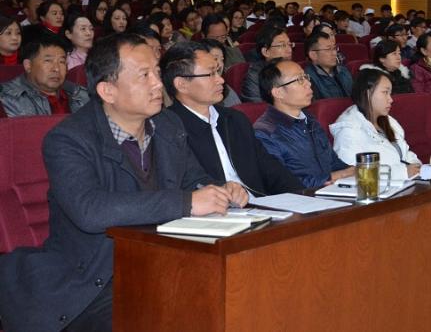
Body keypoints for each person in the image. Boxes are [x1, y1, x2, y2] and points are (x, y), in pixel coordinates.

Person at [0, 33, 247, 332]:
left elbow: (194, 179)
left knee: (239, 295)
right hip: (95, 278)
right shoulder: (68, 139)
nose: (158, 84)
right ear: (108, 90)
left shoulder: (168, 124)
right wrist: (186, 202)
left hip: (162, 260)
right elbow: (90, 210)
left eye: (157, 72)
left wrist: (219, 190)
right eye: (144, 75)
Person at [163, 42, 301, 198]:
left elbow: (272, 170)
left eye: (218, 71)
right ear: (182, 84)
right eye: (211, 74)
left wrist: (304, 197)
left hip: (259, 205)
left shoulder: (235, 119)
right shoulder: (168, 129)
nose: (221, 80)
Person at [253, 59, 354, 187]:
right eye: (299, 79)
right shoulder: (265, 133)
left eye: (306, 77)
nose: (308, 83)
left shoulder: (310, 120)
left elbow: (334, 163)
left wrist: (356, 170)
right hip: (300, 197)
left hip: (329, 192)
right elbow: (282, 185)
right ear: (278, 92)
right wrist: (339, 175)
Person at [330, 69, 422, 179]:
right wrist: (403, 172)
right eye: (385, 92)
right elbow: (352, 173)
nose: (390, 99)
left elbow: (405, 153)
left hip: (404, 183)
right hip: (379, 188)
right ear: (368, 93)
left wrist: (416, 167)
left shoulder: (388, 121)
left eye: (390, 93)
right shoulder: (349, 130)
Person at [0, 36, 89, 117]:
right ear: (28, 65)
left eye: (61, 62)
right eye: (48, 61)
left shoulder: (80, 93)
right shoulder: (7, 98)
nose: (56, 69)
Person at [242, 26, 294, 102]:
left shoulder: (294, 69)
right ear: (266, 52)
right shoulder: (254, 75)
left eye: (289, 44)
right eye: (282, 45)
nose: (289, 50)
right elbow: (258, 107)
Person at [305, 30, 353, 100]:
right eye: (328, 49)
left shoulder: (343, 70)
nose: (334, 53)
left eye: (334, 48)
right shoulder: (308, 79)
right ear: (313, 55)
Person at [200, 39, 243, 107]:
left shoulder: (225, 88)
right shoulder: (195, 90)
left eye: (222, 60)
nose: (220, 64)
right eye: (215, 59)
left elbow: (237, 108)